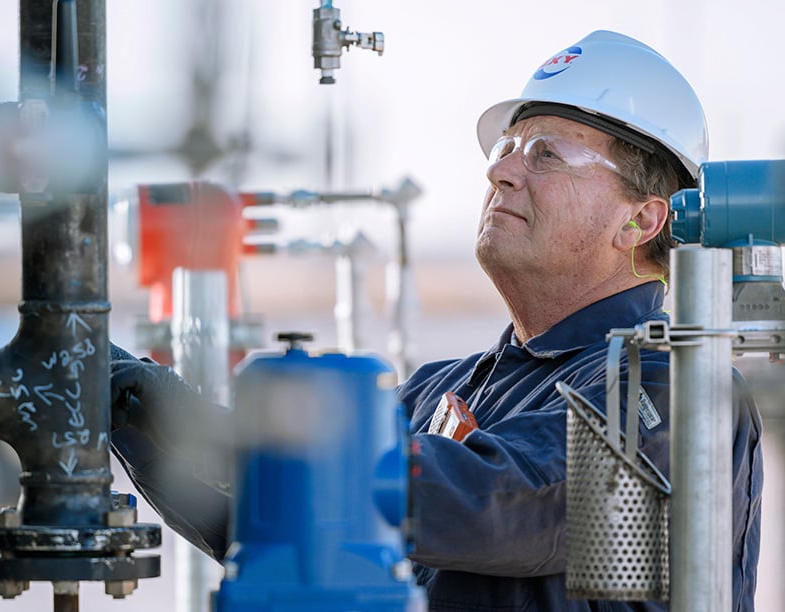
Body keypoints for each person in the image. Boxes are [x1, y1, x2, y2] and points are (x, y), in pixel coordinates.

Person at [109, 30, 762, 610]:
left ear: (642, 219)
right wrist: (125, 401)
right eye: (507, 148)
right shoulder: (439, 390)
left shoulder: (677, 391)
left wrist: (237, 436)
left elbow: (510, 502)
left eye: (546, 155)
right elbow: (287, 523)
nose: (499, 170)